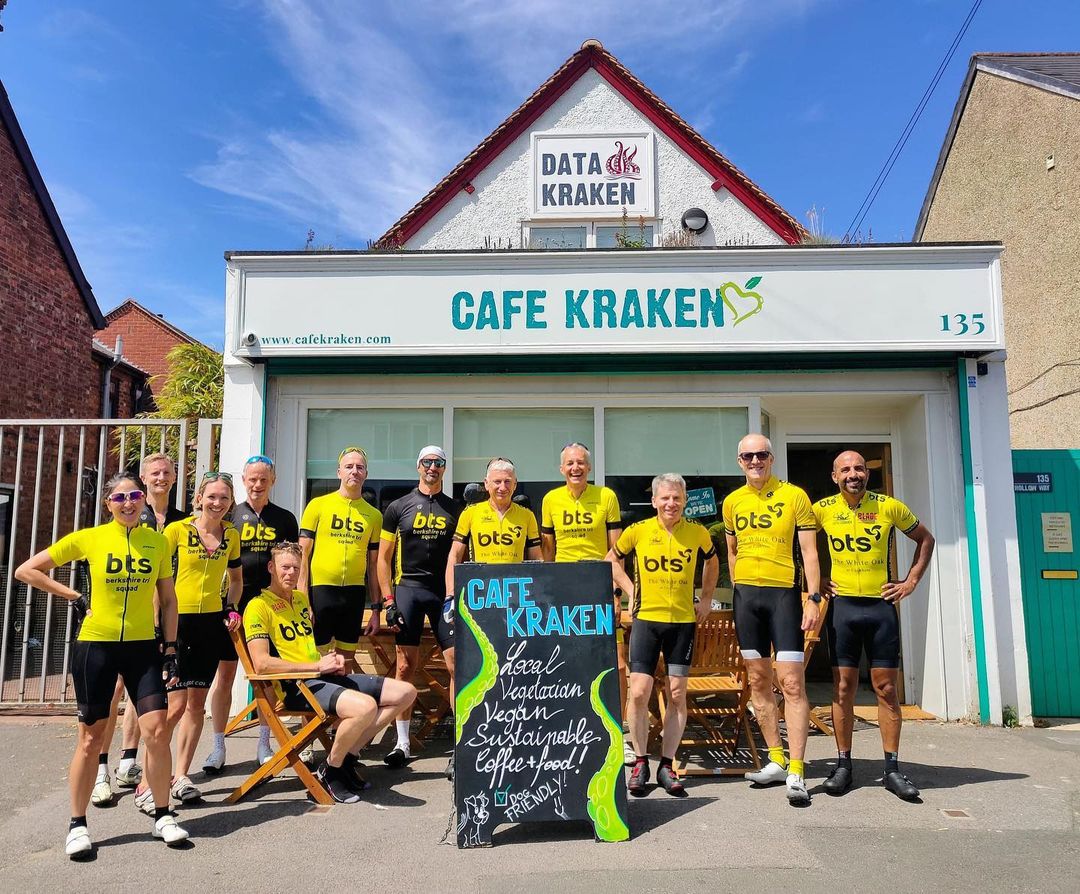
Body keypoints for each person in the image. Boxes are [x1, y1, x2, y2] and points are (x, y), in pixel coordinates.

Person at [15, 473, 188, 857]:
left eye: (135, 496)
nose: (129, 503)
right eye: (120, 497)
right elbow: (26, 570)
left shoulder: (157, 543)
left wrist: (171, 648)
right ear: (108, 503)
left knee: (157, 730)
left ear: (144, 500)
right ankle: (77, 824)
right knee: (92, 738)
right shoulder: (89, 538)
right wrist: (74, 596)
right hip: (96, 646)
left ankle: (163, 814)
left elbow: (170, 600)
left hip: (144, 647)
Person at [245, 542, 417, 803]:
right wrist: (316, 666)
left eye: (295, 568)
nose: (290, 573)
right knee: (364, 707)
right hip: (296, 687)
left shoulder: (301, 600)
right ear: (271, 567)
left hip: (320, 677)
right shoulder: (258, 606)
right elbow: (261, 664)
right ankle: (330, 770)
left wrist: (326, 660)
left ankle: (347, 757)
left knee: (405, 692)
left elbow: (302, 649)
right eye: (284, 567)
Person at [813, 450, 935, 801]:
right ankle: (843, 765)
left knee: (886, 689)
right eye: (846, 469)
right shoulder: (822, 509)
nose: (854, 474)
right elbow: (799, 542)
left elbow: (925, 539)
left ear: (868, 473)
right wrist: (817, 577)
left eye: (860, 468)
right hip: (842, 608)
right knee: (842, 689)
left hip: (880, 608)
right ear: (834, 476)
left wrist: (910, 581)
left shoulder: (889, 506)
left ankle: (893, 768)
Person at [722, 434, 821, 806]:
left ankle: (797, 768)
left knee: (792, 683)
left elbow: (809, 552)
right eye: (747, 456)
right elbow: (731, 551)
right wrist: (739, 589)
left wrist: (811, 598)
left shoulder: (794, 495)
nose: (755, 461)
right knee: (759, 680)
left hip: (783, 595)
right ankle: (775, 759)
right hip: (747, 596)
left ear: (771, 457)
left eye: (761, 454)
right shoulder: (732, 502)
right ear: (740, 461)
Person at [605, 473, 716, 797]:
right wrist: (630, 590)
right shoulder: (638, 531)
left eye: (677, 498)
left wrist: (707, 597)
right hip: (646, 622)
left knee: (678, 693)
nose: (671, 503)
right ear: (654, 501)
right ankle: (640, 760)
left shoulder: (696, 532)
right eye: (665, 498)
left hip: (682, 623)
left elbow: (712, 561)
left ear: (684, 501)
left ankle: (667, 764)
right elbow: (612, 559)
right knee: (638, 692)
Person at [91, 453, 186, 807]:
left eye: (166, 472)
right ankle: (102, 768)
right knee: (114, 692)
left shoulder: (181, 521)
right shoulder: (127, 511)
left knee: (143, 692)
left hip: (162, 621)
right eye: (154, 473)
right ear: (144, 479)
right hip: (122, 622)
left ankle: (129, 761)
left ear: (175, 477)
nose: (161, 477)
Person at [444, 457, 541, 778]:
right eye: (496, 481)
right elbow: (455, 556)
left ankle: (510, 744)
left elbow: (537, 562)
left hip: (515, 608)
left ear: (515, 484)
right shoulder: (471, 514)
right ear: (486, 484)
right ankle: (462, 745)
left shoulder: (526, 516)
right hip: (477, 606)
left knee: (513, 676)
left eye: (508, 482)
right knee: (470, 676)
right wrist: (449, 597)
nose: (502, 487)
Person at [203, 454, 300, 772]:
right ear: (243, 480)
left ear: (273, 481)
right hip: (234, 608)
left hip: (270, 608)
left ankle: (264, 743)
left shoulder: (285, 519)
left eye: (263, 479)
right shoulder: (229, 517)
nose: (257, 484)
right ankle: (218, 746)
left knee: (268, 677)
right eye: (252, 479)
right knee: (226, 676)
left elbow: (288, 566)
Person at [540, 443, 631, 761]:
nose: (575, 467)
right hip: (565, 590)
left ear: (589, 468)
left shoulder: (606, 497)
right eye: (569, 463)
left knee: (617, 663)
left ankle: (620, 731)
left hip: (599, 586)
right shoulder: (550, 500)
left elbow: (616, 551)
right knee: (565, 662)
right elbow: (548, 553)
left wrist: (615, 592)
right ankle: (571, 726)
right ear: (561, 469)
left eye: (581, 463)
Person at [161, 472, 243, 806]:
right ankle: (154, 775)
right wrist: (159, 624)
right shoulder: (176, 531)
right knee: (174, 706)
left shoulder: (232, 535)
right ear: (199, 498)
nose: (217, 503)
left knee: (196, 704)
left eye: (224, 498)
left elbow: (236, 579)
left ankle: (180, 776)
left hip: (211, 624)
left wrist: (232, 606)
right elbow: (159, 578)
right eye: (212, 497)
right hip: (177, 623)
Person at [376, 446, 460, 767]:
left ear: (444, 469)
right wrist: (387, 600)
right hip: (408, 589)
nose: (433, 468)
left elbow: (461, 556)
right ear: (418, 465)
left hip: (443, 593)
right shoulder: (398, 507)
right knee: (404, 667)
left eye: (439, 463)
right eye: (427, 462)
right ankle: (402, 743)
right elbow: (383, 559)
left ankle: (460, 742)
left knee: (455, 665)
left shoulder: (455, 509)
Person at [299, 447, 383, 669]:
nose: (354, 471)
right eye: (349, 466)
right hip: (320, 592)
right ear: (338, 472)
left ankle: (342, 703)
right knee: (315, 661)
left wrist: (375, 609)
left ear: (366, 473)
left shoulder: (374, 516)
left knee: (345, 663)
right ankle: (314, 704)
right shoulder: (318, 505)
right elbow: (302, 556)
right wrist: (302, 600)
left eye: (359, 467)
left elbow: (373, 566)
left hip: (353, 595)